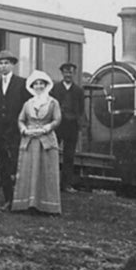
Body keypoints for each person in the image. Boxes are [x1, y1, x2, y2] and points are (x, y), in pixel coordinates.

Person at [11, 70, 63, 215]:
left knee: (46, 171)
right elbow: (21, 119)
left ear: (46, 85)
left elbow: (57, 119)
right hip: (30, 139)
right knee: (28, 170)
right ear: (32, 86)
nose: (39, 86)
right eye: (36, 84)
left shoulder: (53, 102)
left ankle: (46, 206)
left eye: (41, 84)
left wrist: (46, 128)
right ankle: (27, 203)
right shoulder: (28, 103)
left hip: (46, 141)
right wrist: (24, 130)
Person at [0, 49, 30, 207]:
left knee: (16, 165)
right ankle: (8, 200)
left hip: (16, 131)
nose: (3, 66)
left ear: (12, 65)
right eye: (0, 63)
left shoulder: (21, 83)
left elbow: (26, 107)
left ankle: (20, 200)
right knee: (4, 166)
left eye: (6, 63)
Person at [50, 61, 85, 191]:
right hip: (58, 124)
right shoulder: (55, 88)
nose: (68, 75)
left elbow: (81, 109)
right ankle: (50, 183)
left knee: (69, 156)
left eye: (70, 72)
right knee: (52, 152)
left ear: (74, 74)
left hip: (72, 126)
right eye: (66, 72)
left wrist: (79, 123)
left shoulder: (79, 91)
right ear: (62, 73)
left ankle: (66, 185)